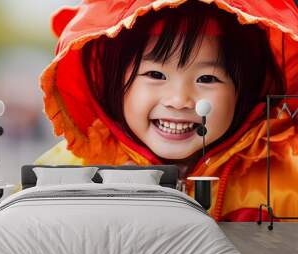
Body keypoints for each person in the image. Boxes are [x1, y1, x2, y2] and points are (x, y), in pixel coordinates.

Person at [36, 0, 298, 221]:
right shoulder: (67, 175)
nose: (179, 100)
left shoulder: (287, 182)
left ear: (247, 91)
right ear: (112, 82)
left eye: (207, 79)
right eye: (155, 74)